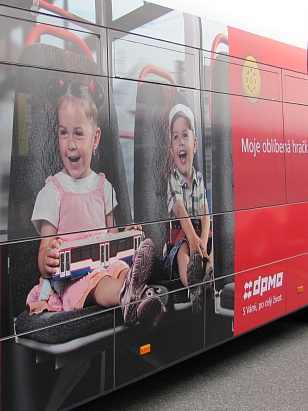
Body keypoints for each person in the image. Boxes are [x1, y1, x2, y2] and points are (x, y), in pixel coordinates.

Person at [26, 78, 164, 327]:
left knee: (119, 269)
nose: (70, 144)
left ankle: (135, 291)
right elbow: (44, 248)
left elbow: (110, 238)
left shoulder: (104, 188)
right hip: (71, 282)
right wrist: (46, 260)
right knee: (100, 281)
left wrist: (127, 234)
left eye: (78, 134)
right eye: (63, 133)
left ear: (95, 138)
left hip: (105, 265)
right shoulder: (52, 191)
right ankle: (129, 295)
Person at [165, 104, 213, 313]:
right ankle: (192, 284)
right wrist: (194, 243)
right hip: (181, 235)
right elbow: (181, 213)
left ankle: (208, 275)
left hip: (199, 235)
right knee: (182, 253)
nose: (180, 141)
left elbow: (205, 214)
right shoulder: (172, 180)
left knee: (212, 251)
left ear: (194, 145)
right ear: (171, 150)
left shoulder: (199, 179)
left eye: (185, 135)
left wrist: (202, 242)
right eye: (175, 137)